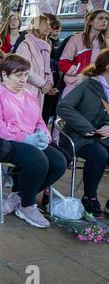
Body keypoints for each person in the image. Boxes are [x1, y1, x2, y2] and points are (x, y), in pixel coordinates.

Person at [0, 54, 67, 228]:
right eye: (18, 75)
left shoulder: (30, 95)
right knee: (38, 160)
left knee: (59, 162)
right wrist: (26, 138)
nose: (23, 80)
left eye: (26, 75)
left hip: (27, 141)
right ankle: (27, 205)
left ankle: (18, 196)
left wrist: (43, 135)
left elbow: (39, 121)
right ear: (4, 75)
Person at [57, 49, 109, 219]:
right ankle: (90, 197)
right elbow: (63, 107)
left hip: (102, 137)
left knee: (101, 151)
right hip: (77, 137)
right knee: (99, 154)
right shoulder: (88, 85)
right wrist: (87, 128)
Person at [59, 9, 109, 98]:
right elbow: (63, 63)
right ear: (91, 22)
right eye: (100, 18)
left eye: (106, 19)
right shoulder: (76, 39)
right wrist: (80, 74)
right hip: (74, 87)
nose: (104, 21)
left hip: (96, 89)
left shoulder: (106, 42)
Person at [16, 15, 56, 108]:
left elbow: (47, 68)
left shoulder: (45, 47)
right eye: (45, 24)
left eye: (49, 24)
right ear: (37, 26)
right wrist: (43, 84)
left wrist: (49, 83)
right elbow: (25, 70)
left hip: (39, 92)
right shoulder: (25, 45)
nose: (49, 27)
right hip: (26, 90)